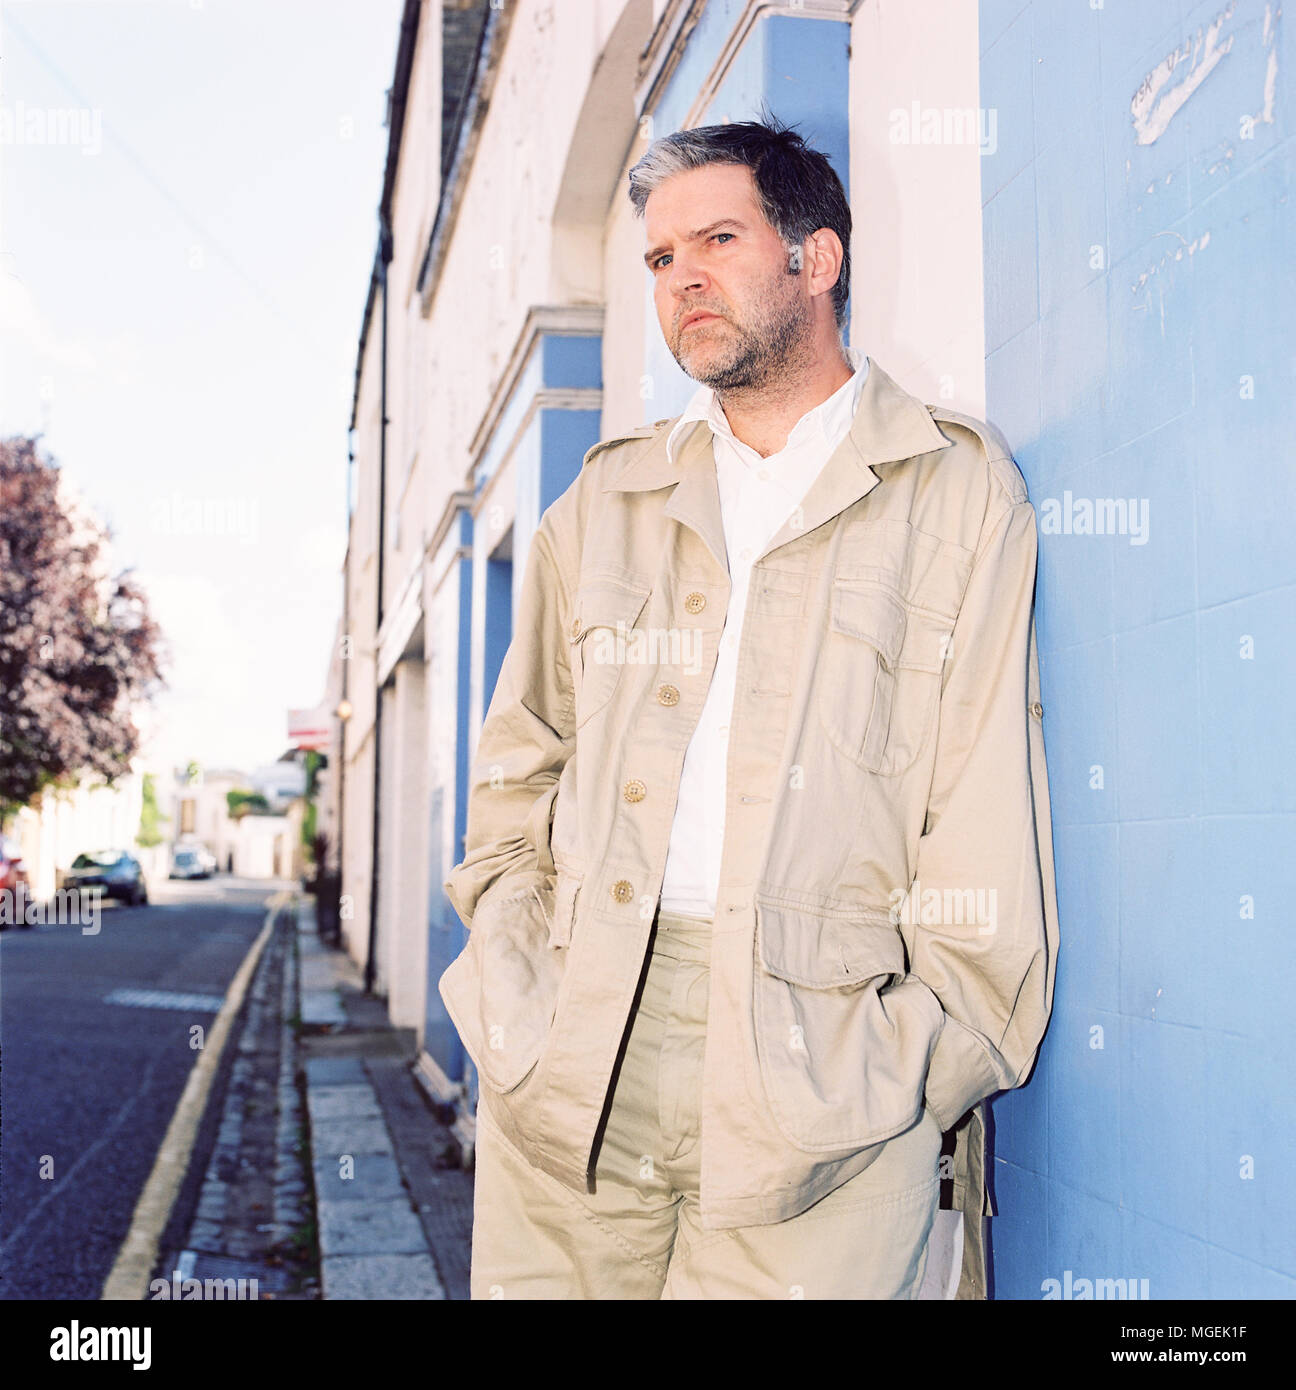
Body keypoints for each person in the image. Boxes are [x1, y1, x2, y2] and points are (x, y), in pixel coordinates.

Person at [442, 116, 1059, 1300]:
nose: (682, 281)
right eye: (661, 260)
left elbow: (983, 805)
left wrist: (910, 1057)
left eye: (716, 239)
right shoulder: (605, 504)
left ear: (814, 257)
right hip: (572, 1045)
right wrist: (515, 968)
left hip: (822, 1079)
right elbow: (517, 766)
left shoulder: (957, 496)